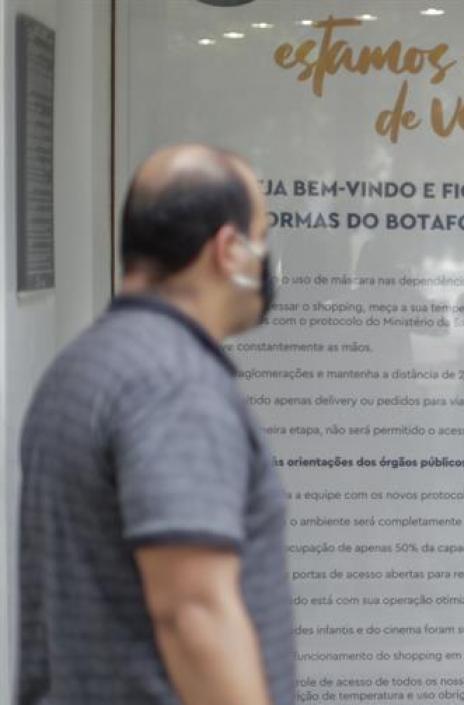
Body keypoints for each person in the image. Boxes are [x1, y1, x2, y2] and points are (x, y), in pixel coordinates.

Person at [19, 144, 295, 705]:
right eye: (262, 237)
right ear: (228, 250)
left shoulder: (84, 365)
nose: (266, 261)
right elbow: (193, 611)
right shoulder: (174, 385)